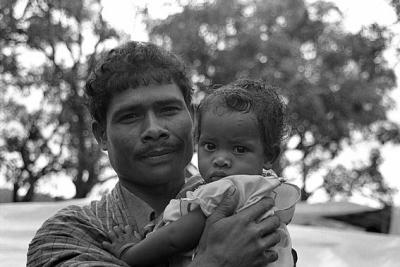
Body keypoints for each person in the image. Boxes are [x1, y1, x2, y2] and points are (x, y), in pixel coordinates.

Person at [27, 41, 283, 267]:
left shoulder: (256, 207)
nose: (154, 130)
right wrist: (215, 261)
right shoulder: (67, 235)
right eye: (130, 116)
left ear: (193, 118)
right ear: (101, 135)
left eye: (168, 110)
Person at [102, 79, 300, 267]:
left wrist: (129, 252)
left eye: (239, 149)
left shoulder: (228, 190)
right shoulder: (268, 189)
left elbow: (173, 238)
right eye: (210, 146)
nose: (220, 159)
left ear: (269, 155)